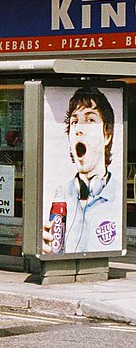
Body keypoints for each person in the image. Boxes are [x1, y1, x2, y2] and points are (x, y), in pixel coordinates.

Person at [42, 87, 118, 254]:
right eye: (74, 122)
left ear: (107, 135)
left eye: (90, 120)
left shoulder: (118, 198)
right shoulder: (59, 196)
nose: (79, 130)